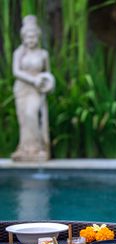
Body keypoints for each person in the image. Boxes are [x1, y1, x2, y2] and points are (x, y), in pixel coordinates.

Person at [12, 15, 55, 161]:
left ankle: (37, 148)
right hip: (22, 89)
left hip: (36, 91)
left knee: (32, 115)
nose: (31, 40)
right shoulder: (19, 53)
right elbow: (16, 71)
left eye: (33, 37)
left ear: (38, 37)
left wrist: (46, 82)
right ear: (23, 38)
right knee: (23, 119)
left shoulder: (43, 54)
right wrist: (33, 79)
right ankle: (25, 148)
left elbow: (48, 73)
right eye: (28, 37)